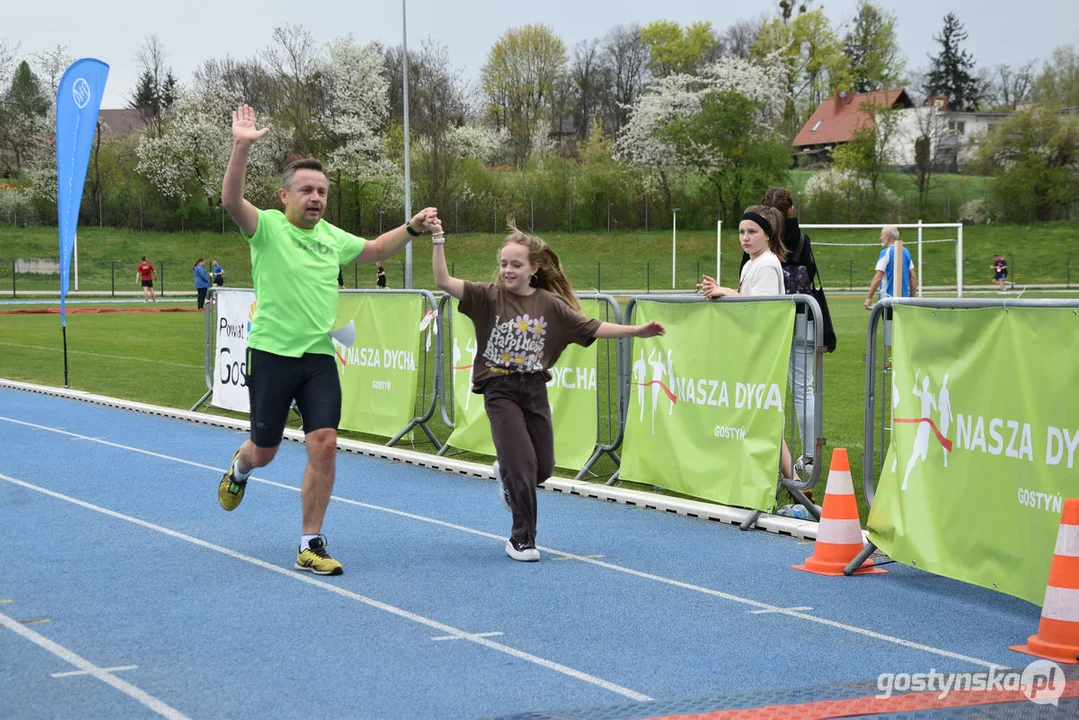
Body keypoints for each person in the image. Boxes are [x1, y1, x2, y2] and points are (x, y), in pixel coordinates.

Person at [217, 103, 440, 576]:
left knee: (324, 442)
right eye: (306, 190)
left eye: (321, 192)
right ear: (284, 195)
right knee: (267, 450)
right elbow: (232, 201)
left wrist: (413, 228)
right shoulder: (267, 230)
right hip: (272, 353)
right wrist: (241, 146)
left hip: (319, 355)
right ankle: (240, 466)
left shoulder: (331, 237)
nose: (316, 198)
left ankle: (309, 543)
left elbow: (378, 249)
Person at [432, 218, 665, 562]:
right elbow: (442, 280)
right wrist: (438, 238)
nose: (507, 271)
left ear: (533, 268)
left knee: (543, 469)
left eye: (515, 265)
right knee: (523, 468)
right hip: (500, 390)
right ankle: (521, 540)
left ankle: (505, 474)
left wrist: (637, 331)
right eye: (503, 264)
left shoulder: (549, 305)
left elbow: (593, 326)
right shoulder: (487, 297)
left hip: (534, 390)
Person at [697, 205, 797, 482]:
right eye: (741, 231)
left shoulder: (766, 263)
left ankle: (792, 480)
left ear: (768, 235)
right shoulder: (753, 262)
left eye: (752, 231)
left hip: (762, 350)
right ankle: (793, 480)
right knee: (761, 413)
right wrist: (722, 291)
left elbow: (760, 308)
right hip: (750, 348)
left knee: (763, 414)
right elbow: (745, 297)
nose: (745, 237)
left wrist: (725, 292)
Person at [742, 187, 818, 474]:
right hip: (803, 319)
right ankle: (807, 458)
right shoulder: (800, 239)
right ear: (791, 209)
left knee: (769, 393)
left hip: (772, 327)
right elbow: (811, 277)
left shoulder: (762, 247)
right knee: (803, 390)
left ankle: (776, 456)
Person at [865, 226, 918, 309]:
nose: (880, 238)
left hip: (887, 301)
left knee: (889, 322)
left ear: (888, 237)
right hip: (904, 301)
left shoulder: (886, 252)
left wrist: (869, 298)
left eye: (882, 235)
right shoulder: (906, 252)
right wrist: (912, 298)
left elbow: (878, 277)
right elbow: (913, 278)